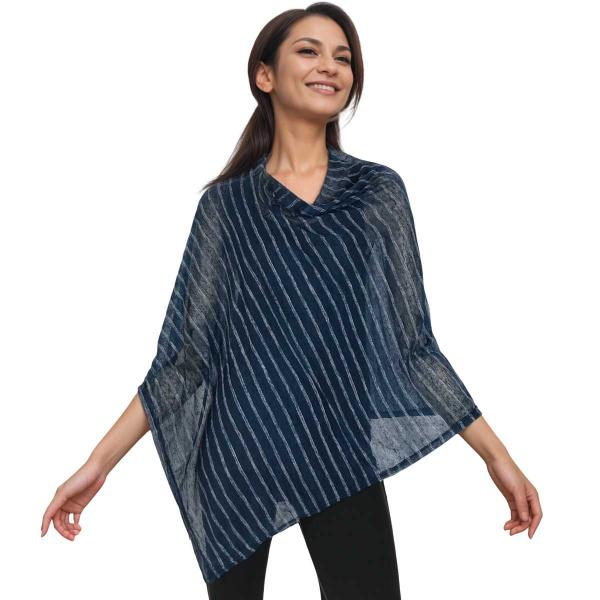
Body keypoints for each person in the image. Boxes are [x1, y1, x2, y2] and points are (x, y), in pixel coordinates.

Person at [41, 4, 543, 599]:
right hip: (239, 453)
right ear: (265, 75)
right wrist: (98, 463)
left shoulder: (376, 192)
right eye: (309, 51)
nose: (330, 66)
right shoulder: (226, 208)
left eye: (343, 57)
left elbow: (414, 348)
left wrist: (496, 458)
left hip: (339, 447)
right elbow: (184, 360)